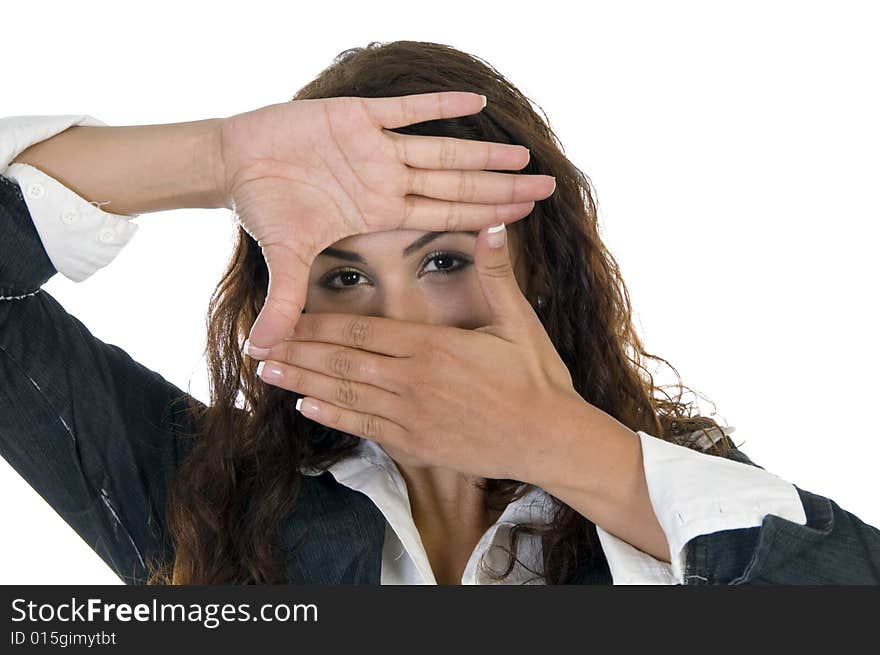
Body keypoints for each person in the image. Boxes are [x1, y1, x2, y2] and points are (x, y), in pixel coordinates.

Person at [1, 40, 878, 586]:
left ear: (541, 274)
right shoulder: (208, 499)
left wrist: (558, 444)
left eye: (445, 261)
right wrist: (217, 156)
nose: (402, 326)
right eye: (343, 277)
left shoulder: (677, 503)